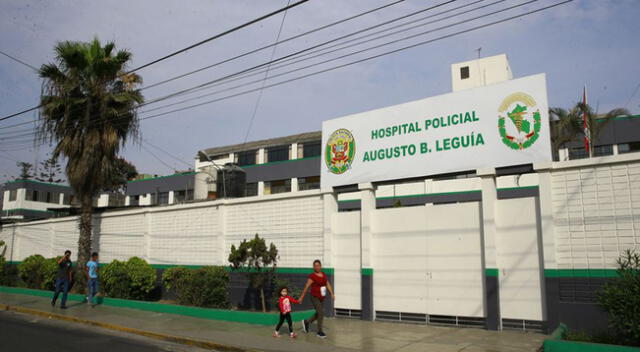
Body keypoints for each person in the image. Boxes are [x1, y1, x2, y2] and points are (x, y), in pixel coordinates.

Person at [299, 259, 335, 339]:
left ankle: (306, 322)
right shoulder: (312, 276)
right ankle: (319, 331)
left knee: (319, 313)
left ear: (320, 266)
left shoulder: (323, 274)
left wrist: (332, 293)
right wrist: (301, 297)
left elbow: (327, 284)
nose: (317, 267)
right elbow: (306, 286)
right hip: (314, 297)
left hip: (321, 297)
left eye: (318, 265)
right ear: (313, 267)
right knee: (321, 313)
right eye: (315, 266)